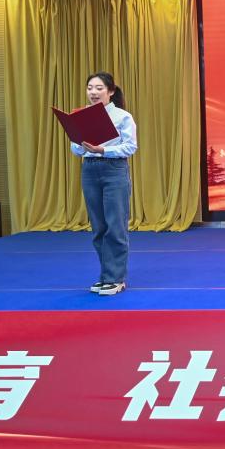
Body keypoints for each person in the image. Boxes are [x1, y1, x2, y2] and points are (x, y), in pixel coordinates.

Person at [70, 72, 137, 296]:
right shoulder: (81, 116)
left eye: (99, 88)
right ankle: (106, 275)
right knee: (98, 227)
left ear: (111, 91)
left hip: (114, 169)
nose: (93, 92)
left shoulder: (122, 116)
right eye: (90, 88)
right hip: (89, 170)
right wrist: (81, 145)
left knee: (115, 226)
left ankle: (116, 278)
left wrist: (103, 149)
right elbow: (75, 149)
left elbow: (131, 147)